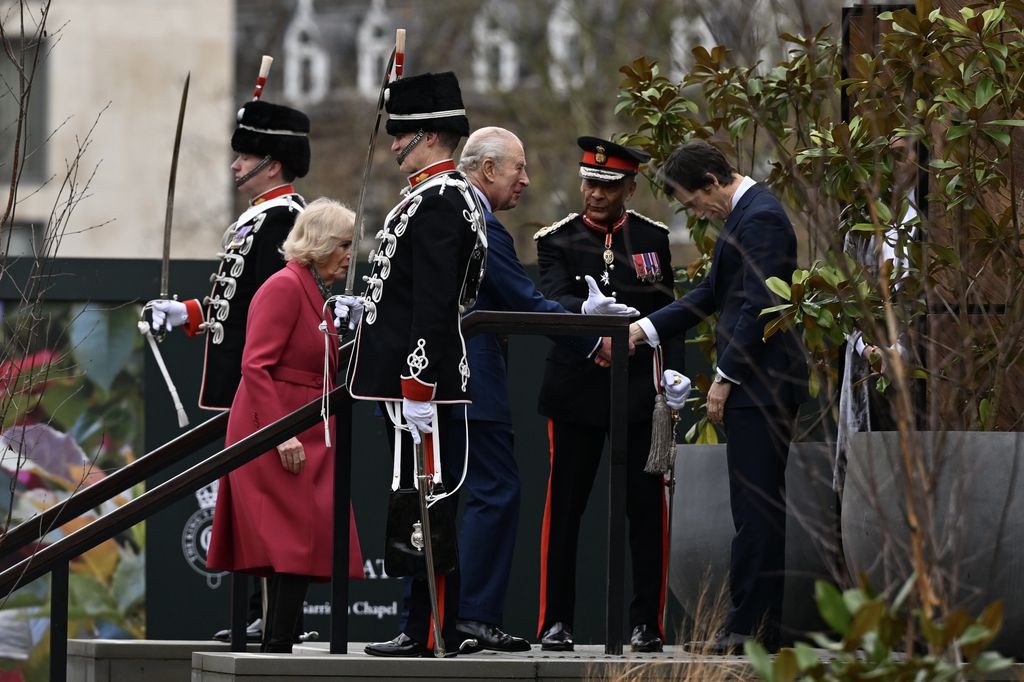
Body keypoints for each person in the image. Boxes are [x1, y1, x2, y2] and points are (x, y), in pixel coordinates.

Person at [452, 127, 634, 652]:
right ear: (488, 169)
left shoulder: (445, 206)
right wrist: (592, 337)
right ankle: (472, 616)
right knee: (495, 491)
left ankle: (439, 616)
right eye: (519, 169)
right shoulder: (480, 223)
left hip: (438, 380)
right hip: (470, 381)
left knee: (443, 495)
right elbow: (527, 303)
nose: (527, 180)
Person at [629, 139, 806, 654]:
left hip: (763, 384)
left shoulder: (761, 218)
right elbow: (711, 294)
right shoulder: (745, 216)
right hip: (760, 385)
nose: (694, 211)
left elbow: (761, 302)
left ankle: (745, 630)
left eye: (691, 200)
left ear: (712, 180)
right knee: (755, 509)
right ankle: (756, 630)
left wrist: (725, 375)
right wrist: (645, 329)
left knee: (756, 511)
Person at [147, 99, 311, 643]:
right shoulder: (262, 216)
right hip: (245, 384)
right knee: (251, 502)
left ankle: (281, 618)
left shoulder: (286, 218)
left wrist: (259, 384)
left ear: (273, 162)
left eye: (246, 156)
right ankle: (262, 613)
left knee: (272, 506)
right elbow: (236, 306)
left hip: (265, 383)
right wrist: (189, 313)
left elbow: (270, 312)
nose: (236, 166)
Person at [347, 71, 487, 658]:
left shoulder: (439, 201)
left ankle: (428, 630)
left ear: (427, 135)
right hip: (407, 379)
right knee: (415, 496)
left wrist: (419, 385)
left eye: (401, 133)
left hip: (419, 382)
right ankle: (423, 625)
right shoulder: (430, 198)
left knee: (426, 500)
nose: (393, 144)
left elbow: (434, 307)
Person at [534, 137, 675, 653]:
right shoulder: (558, 238)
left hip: (638, 390)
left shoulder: (652, 238)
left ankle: (647, 623)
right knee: (565, 509)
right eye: (590, 183)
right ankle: (555, 620)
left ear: (629, 188)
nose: (595, 193)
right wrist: (589, 325)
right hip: (577, 388)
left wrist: (668, 375)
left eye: (608, 186)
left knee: (645, 510)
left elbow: (667, 311)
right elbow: (552, 297)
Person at [206, 198, 364, 653]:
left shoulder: (313, 289)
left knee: (308, 536)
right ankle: (277, 646)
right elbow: (255, 366)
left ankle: (281, 639)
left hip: (306, 424)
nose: (351, 254)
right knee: (294, 538)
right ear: (320, 245)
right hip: (275, 427)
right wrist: (281, 435)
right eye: (345, 244)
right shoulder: (284, 286)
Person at [834, 134, 919, 497]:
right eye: (885, 157)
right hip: (868, 364)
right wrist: (868, 349)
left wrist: (902, 349)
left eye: (900, 155)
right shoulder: (860, 223)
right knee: (872, 479)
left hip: (921, 364)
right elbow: (844, 300)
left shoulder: (932, 217)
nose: (891, 165)